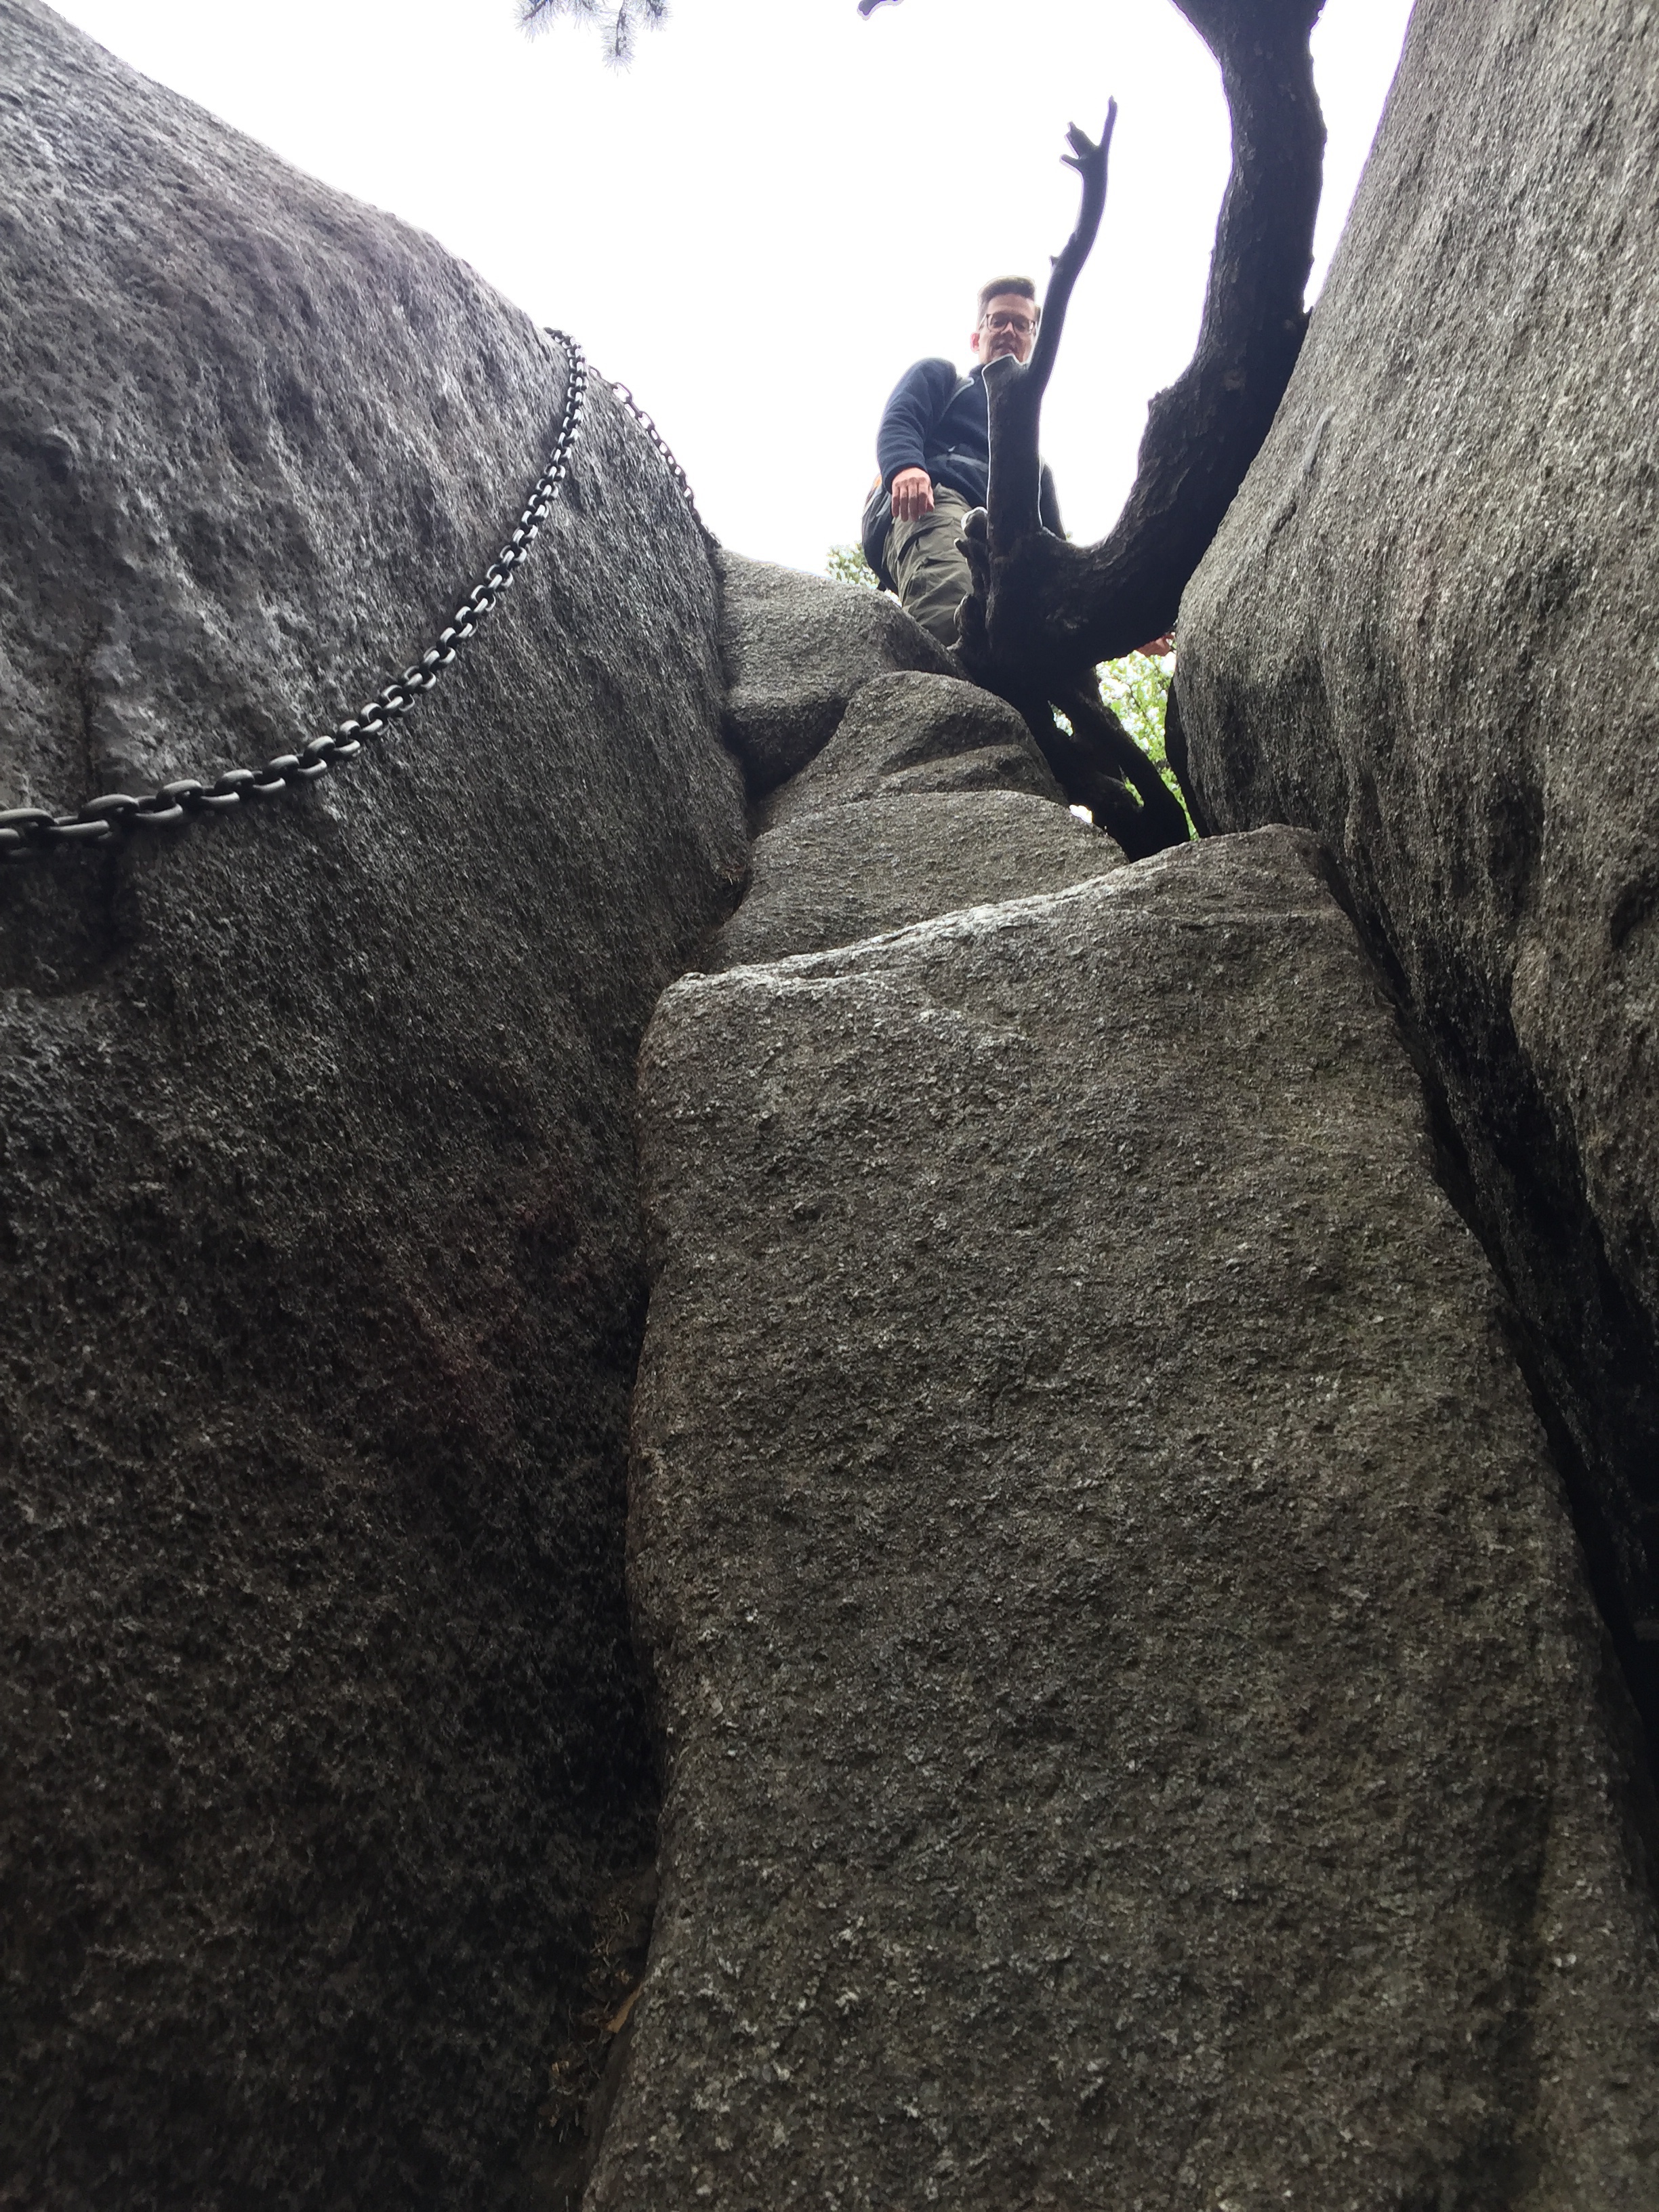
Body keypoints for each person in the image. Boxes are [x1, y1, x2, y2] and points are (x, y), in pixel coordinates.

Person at [861, 276, 1064, 652]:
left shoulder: (1035, 465)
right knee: (951, 614)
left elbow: (1058, 555)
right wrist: (906, 467)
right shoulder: (945, 379)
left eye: (1022, 325)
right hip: (935, 500)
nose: (1009, 331)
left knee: (1032, 653)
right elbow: (902, 418)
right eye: (998, 321)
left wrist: (1118, 619)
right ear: (976, 338)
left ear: (1033, 341)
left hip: (1004, 550)